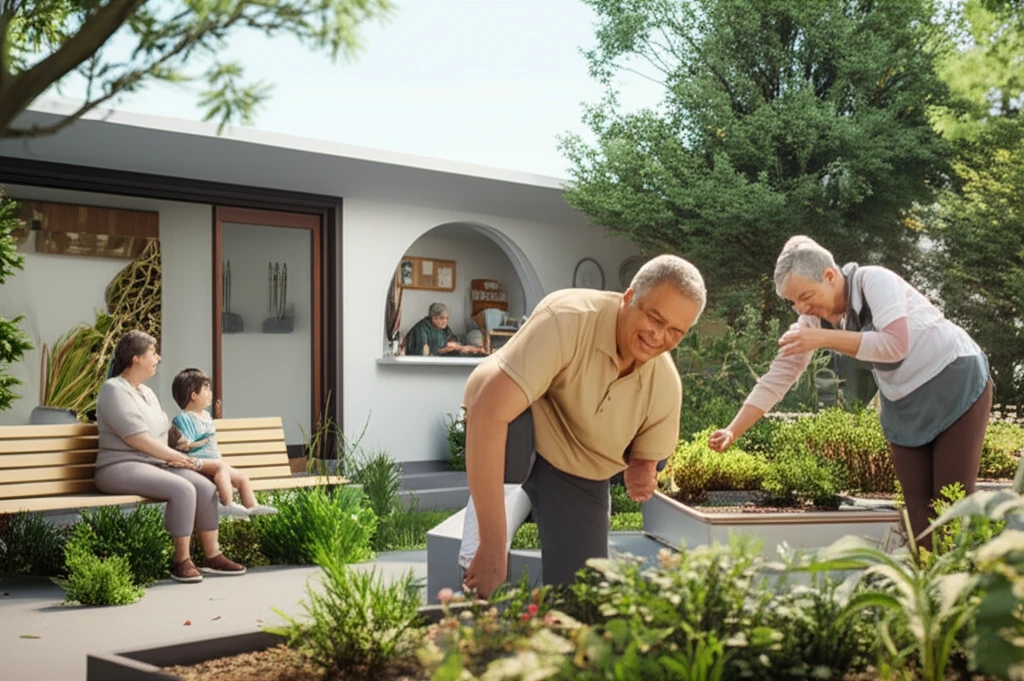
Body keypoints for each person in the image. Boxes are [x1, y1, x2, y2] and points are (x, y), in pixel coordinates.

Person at [708, 236, 993, 550]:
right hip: (903, 398)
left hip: (953, 377)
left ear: (830, 276)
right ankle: (925, 588)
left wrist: (822, 339)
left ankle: (961, 584)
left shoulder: (875, 280)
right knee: (915, 504)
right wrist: (733, 430)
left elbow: (896, 345)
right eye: (793, 302)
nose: (801, 308)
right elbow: (780, 375)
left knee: (950, 499)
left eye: (805, 296)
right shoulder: (814, 321)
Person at [461, 254, 706, 598]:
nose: (658, 336)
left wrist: (643, 465)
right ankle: (504, 501)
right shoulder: (567, 318)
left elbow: (650, 458)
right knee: (505, 426)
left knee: (582, 598)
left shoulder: (665, 385)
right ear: (629, 297)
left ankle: (532, 502)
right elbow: (488, 411)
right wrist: (492, 542)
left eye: (675, 331)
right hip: (521, 431)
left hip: (576, 469)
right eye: (654, 318)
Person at [93, 330, 247, 583]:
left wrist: (179, 455)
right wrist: (184, 460)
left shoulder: (147, 393)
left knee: (204, 486)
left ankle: (212, 555)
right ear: (135, 358)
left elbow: (160, 435)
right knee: (183, 488)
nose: (158, 358)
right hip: (119, 466)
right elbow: (136, 438)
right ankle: (181, 561)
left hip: (154, 463)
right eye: (153, 353)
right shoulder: (113, 390)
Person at [169, 367, 278, 519]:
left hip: (213, 462)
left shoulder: (206, 416)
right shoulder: (184, 419)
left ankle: (253, 508)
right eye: (206, 389)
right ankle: (226, 505)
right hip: (197, 463)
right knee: (221, 469)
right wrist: (194, 442)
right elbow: (183, 444)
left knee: (242, 478)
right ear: (193, 395)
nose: (210, 393)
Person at [403, 302, 486, 356]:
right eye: (442, 318)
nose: (445, 321)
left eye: (447, 318)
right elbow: (424, 352)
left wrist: (456, 346)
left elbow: (454, 341)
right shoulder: (422, 328)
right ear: (434, 318)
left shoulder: (444, 327)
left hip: (443, 354)